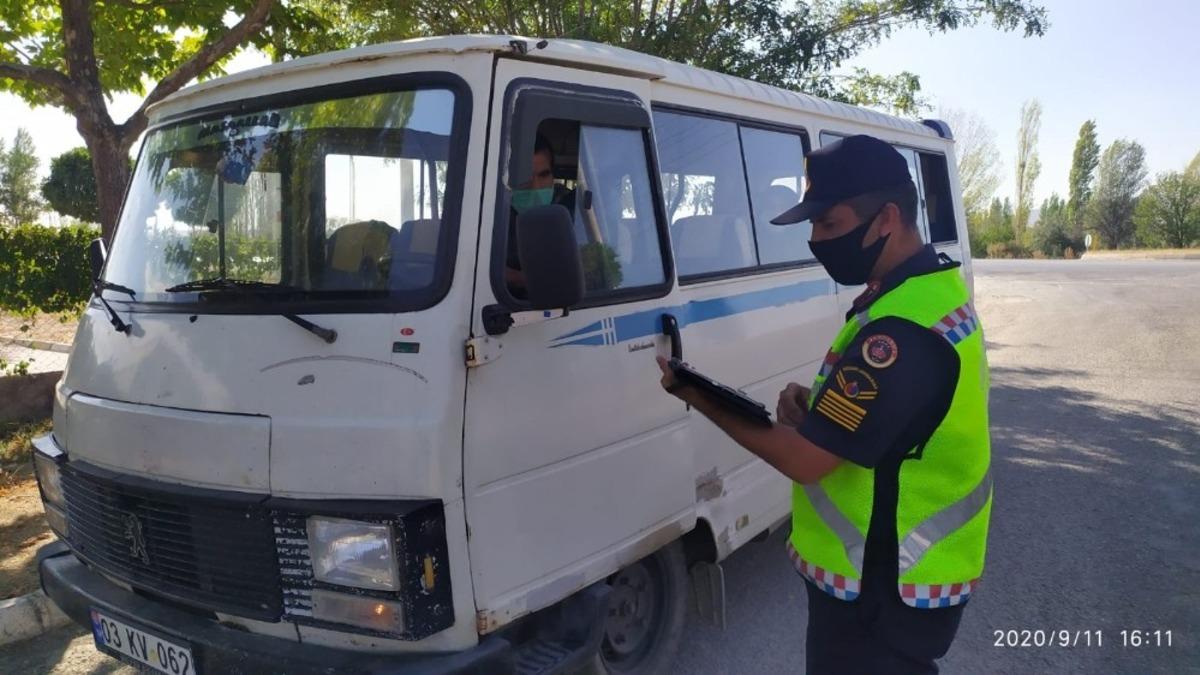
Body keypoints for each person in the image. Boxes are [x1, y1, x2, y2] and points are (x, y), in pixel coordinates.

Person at [655, 134, 992, 674]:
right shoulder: (926, 294)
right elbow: (899, 417)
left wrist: (696, 393)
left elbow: (806, 461)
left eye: (829, 224)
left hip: (884, 588)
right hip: (897, 583)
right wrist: (818, 407)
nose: (816, 240)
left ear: (887, 218)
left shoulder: (901, 331)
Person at [506, 133, 576, 296]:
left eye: (543, 175)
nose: (535, 187)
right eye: (524, 178)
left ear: (553, 176)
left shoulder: (574, 214)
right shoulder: (491, 215)